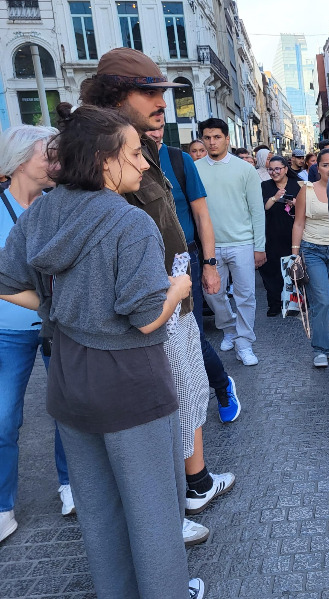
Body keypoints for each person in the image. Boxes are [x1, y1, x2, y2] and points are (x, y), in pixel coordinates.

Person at [0, 104, 204, 598]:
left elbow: (7, 283)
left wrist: (56, 310)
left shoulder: (42, 210)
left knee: (99, 510)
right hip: (131, 384)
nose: (143, 164)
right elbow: (145, 317)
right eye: (135, 154)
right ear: (103, 159)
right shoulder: (129, 223)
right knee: (155, 510)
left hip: (70, 380)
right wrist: (178, 288)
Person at [80, 48, 236, 549]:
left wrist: (198, 273)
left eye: (163, 93)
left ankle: (193, 488)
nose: (160, 103)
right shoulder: (97, 157)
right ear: (113, 96)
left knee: (188, 400)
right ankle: (163, 521)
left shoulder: (152, 153)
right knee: (156, 420)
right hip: (147, 314)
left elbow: (182, 220)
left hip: (176, 303)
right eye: (148, 92)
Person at [0, 126, 75, 544]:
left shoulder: (60, 207)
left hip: (60, 328)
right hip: (7, 330)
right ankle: (1, 506)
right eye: (49, 155)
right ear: (19, 160)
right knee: (3, 418)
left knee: (68, 410)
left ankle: (71, 485)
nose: (57, 163)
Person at [146, 128, 241, 426]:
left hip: (182, 259)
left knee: (191, 336)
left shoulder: (177, 160)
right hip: (143, 261)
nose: (156, 129)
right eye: (149, 121)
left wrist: (210, 264)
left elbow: (202, 215)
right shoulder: (119, 155)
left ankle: (222, 384)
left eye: (160, 120)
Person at [196, 117, 266, 366]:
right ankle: (229, 328)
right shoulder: (196, 168)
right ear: (202, 139)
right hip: (210, 244)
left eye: (217, 137)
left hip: (242, 242)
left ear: (227, 138)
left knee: (246, 295)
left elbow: (257, 210)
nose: (212, 142)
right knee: (212, 293)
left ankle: (245, 342)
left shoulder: (245, 169)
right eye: (207, 137)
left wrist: (260, 245)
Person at [291, 149, 329, 367]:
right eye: (325, 165)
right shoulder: (307, 190)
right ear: (317, 167)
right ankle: (320, 348)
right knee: (322, 300)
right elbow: (299, 222)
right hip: (312, 250)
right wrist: (294, 255)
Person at [260, 156, 301, 316]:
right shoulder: (265, 185)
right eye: (271, 169)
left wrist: (297, 203)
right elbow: (263, 207)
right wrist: (275, 198)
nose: (274, 172)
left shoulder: (297, 185)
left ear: (285, 168)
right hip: (271, 233)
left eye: (278, 168)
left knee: (293, 269)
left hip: (293, 233)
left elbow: (305, 209)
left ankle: (294, 304)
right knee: (272, 270)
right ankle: (275, 303)